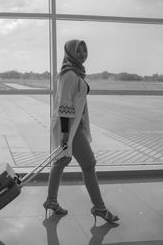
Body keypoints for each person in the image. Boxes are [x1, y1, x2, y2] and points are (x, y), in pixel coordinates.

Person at [43, 39, 119, 223]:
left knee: (62, 160)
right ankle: (99, 207)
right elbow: (64, 106)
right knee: (89, 164)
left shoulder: (74, 72)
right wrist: (66, 136)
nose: (83, 54)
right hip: (68, 128)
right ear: (70, 53)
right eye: (78, 51)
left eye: (85, 51)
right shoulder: (69, 75)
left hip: (72, 126)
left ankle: (51, 201)